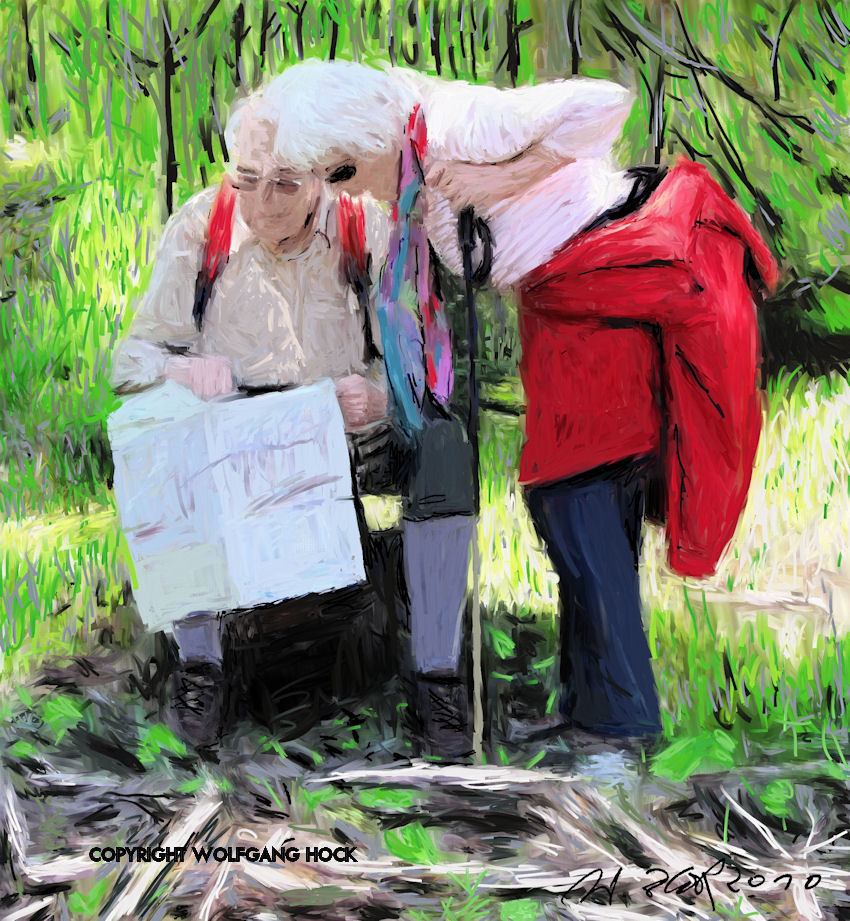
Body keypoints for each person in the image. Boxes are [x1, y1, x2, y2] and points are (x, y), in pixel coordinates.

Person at [263, 59, 779, 747]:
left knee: (581, 499)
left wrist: (497, 179)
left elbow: (604, 104)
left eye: (342, 171)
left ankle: (620, 724)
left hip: (610, 287)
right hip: (568, 311)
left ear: (365, 135)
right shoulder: (412, 180)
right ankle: (593, 710)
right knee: (572, 504)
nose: (342, 190)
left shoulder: (452, 127)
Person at [111, 89, 475, 756]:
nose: (264, 202)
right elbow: (129, 360)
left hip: (345, 433)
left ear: (320, 177)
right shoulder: (202, 229)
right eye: (247, 180)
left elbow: (421, 364)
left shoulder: (366, 228)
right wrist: (183, 372)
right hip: (237, 437)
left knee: (444, 444)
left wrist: (381, 396)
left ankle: (437, 678)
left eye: (284, 183)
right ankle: (201, 667)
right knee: (159, 437)